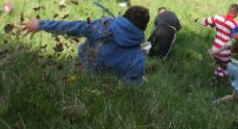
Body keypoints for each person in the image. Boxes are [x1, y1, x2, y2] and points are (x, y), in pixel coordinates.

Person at [22, 6, 150, 85]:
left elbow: (71, 27)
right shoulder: (138, 59)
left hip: (78, 67)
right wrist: (139, 80)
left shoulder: (101, 26)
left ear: (124, 16)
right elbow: (130, 89)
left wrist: (41, 24)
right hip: (103, 86)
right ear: (142, 29)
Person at [198, 3, 238, 84]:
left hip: (214, 49)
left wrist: (212, 24)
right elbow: (233, 39)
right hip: (225, 52)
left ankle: (215, 79)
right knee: (229, 69)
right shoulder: (236, 24)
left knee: (221, 66)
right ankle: (218, 78)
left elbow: (204, 22)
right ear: (236, 13)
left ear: (228, 10)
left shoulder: (217, 17)